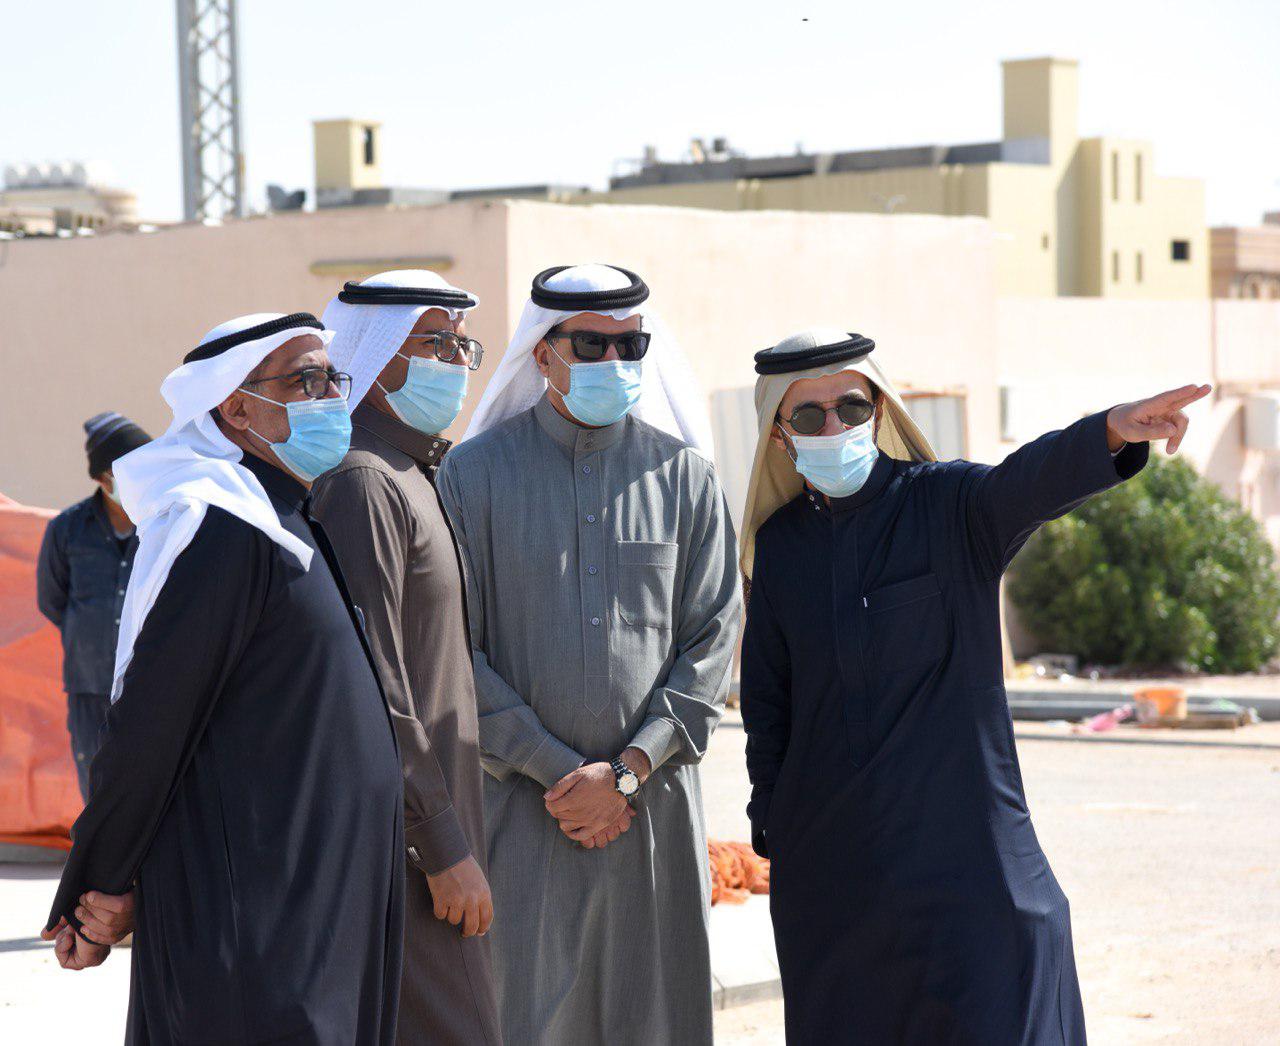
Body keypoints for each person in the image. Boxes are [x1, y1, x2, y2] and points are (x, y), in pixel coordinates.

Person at [738, 328, 1211, 1044]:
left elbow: (1027, 482)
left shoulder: (950, 508)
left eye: (853, 408)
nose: (835, 427)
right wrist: (774, 818)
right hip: (834, 884)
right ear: (780, 437)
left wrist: (1110, 433)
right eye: (810, 416)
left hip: (966, 870)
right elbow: (769, 702)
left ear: (880, 411)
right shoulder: (779, 548)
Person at [41, 313, 404, 1046]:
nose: (329, 398)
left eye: (331, 378)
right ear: (235, 410)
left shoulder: (286, 515)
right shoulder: (222, 530)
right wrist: (100, 881)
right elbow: (151, 722)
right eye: (304, 381)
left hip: (317, 904)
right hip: (258, 923)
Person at [438, 264, 741, 1045]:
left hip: (653, 810)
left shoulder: (685, 477)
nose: (614, 360)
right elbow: (448, 649)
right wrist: (557, 771)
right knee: (524, 1015)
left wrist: (631, 768)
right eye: (590, 344)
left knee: (656, 1015)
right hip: (522, 809)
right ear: (542, 353)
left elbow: (713, 637)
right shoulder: (472, 477)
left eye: (629, 344)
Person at [313, 270, 502, 1045]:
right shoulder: (363, 481)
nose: (454, 361)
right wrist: (442, 844)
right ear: (378, 354)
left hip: (433, 833)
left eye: (461, 345)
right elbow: (378, 682)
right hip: (408, 851)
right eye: (434, 342)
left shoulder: (414, 472)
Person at [37, 412, 151, 799]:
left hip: (148, 681)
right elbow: (53, 601)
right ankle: (103, 863)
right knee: (96, 788)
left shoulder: (162, 523)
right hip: (88, 687)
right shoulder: (67, 529)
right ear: (104, 479)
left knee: (146, 786)